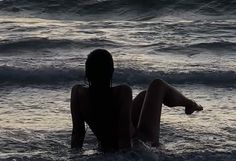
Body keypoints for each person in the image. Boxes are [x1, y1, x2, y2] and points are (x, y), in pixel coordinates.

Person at [71, 49, 203, 151]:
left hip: (107, 145)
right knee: (157, 85)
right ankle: (190, 104)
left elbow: (78, 133)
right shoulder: (122, 91)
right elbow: (124, 136)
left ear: (87, 73)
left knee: (144, 95)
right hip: (140, 142)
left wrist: (74, 160)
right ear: (111, 71)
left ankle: (189, 104)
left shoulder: (77, 92)